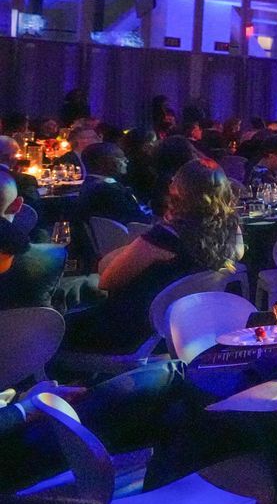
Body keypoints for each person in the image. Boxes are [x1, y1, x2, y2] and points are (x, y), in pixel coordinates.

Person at [67, 159, 243, 355]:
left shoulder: (165, 237)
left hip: (136, 331)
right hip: (190, 325)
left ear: (178, 189)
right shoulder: (230, 227)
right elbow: (239, 253)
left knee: (55, 329)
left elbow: (107, 280)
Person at [76, 141, 153, 229]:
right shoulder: (109, 191)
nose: (126, 160)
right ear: (103, 162)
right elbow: (138, 220)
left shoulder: (88, 185)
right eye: (120, 157)